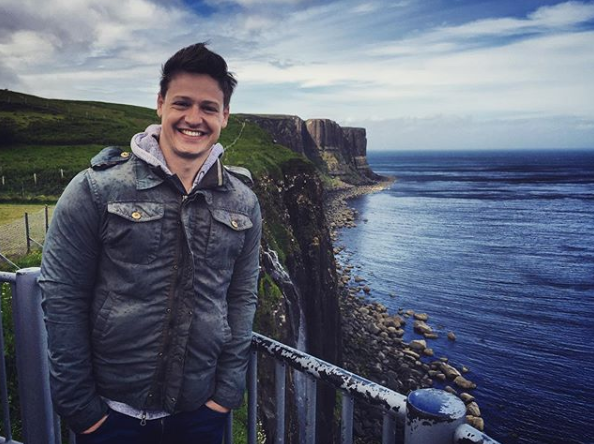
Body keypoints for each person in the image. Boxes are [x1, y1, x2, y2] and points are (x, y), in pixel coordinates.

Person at [39, 43, 262, 444]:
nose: (194, 118)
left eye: (209, 108)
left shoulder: (243, 201)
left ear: (225, 116)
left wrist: (226, 394)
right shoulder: (96, 189)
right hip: (111, 416)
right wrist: (83, 412)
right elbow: (62, 297)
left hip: (200, 413)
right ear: (160, 104)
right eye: (182, 103)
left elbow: (242, 297)